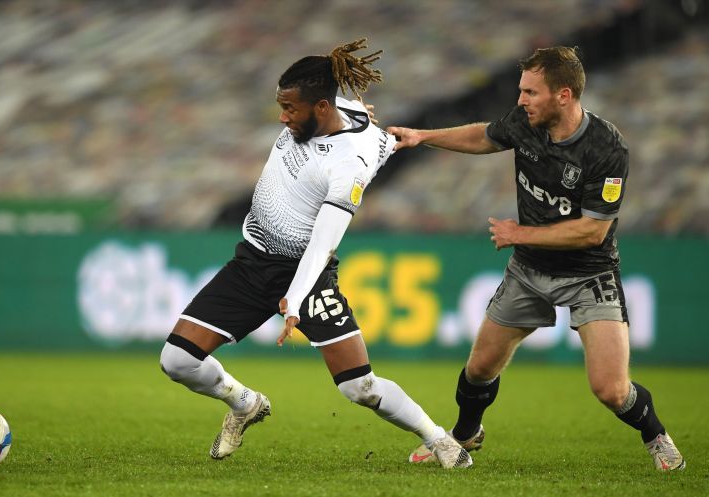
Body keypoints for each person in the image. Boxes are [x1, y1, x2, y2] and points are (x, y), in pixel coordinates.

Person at [159, 39, 471, 469]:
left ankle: (439, 439)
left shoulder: (350, 164)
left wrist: (296, 300)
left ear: (321, 106)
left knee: (359, 388)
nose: (283, 118)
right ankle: (245, 403)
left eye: (290, 108)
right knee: (176, 360)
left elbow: (323, 243)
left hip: (306, 272)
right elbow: (353, 108)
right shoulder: (339, 111)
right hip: (252, 262)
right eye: (281, 106)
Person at [387, 46, 685, 472]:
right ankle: (466, 433)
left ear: (563, 95)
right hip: (529, 271)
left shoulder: (606, 147)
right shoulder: (525, 124)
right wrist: (423, 137)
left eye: (531, 92)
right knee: (478, 369)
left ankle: (656, 435)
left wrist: (518, 233)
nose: (521, 100)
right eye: (521, 90)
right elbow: (485, 136)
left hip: (589, 274)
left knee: (611, 389)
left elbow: (593, 230)